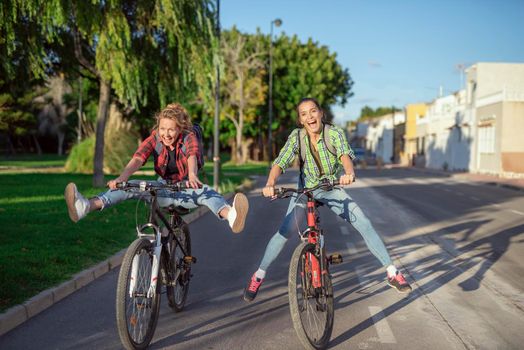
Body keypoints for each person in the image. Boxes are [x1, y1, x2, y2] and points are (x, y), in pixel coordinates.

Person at [243, 98, 411, 302]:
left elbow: (344, 155)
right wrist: (270, 183)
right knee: (285, 230)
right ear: (300, 119)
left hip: (331, 189)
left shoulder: (334, 133)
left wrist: (349, 172)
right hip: (306, 189)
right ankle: (259, 275)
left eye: (313, 111)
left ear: (321, 113)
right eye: (304, 114)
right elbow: (281, 161)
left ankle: (392, 272)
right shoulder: (297, 137)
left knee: (363, 222)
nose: (309, 117)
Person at [65, 103, 249, 234]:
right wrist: (122, 178)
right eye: (162, 129)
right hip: (163, 190)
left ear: (180, 128)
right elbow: (138, 158)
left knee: (208, 193)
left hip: (185, 190)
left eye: (171, 130)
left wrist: (192, 175)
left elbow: (192, 155)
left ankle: (231, 216)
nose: (166, 134)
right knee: (130, 186)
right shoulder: (155, 138)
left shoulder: (188, 137)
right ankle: (85, 206)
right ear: (158, 127)